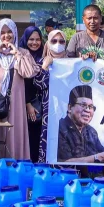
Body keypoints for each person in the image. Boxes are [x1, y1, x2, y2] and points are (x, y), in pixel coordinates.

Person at [0, 19, 40, 159]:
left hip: (14, 103)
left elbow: (29, 72)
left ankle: (14, 167)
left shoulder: (22, 52)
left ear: (15, 33)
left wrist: (16, 53)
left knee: (13, 132)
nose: (6, 36)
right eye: (2, 33)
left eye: (9, 32)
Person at [55, 84, 104, 164]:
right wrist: (99, 157)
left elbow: (101, 155)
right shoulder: (59, 128)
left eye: (91, 107)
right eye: (83, 105)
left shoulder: (91, 132)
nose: (88, 110)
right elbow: (63, 163)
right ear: (70, 108)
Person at [34, 29, 67, 163]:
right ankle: (47, 174)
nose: (58, 44)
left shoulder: (73, 64)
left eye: (61, 41)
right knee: (48, 141)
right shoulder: (40, 62)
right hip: (48, 113)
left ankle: (69, 174)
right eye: (54, 41)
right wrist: (45, 66)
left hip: (67, 111)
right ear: (48, 43)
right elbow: (38, 84)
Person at [20, 25, 46, 158]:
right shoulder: (20, 56)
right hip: (27, 105)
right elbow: (20, 83)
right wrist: (28, 104)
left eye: (37, 39)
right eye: (31, 39)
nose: (34, 43)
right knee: (28, 137)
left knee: (40, 137)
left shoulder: (45, 56)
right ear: (25, 39)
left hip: (43, 105)